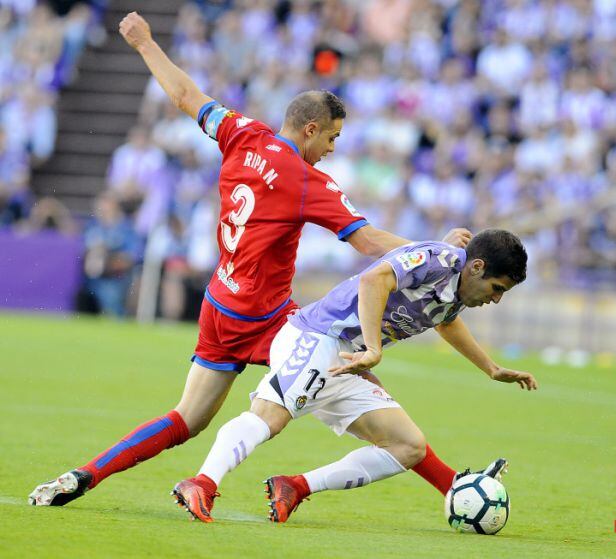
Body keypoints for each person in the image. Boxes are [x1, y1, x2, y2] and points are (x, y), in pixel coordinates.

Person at [29, 11, 471, 507]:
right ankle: (442, 485)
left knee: (186, 419)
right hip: (267, 317)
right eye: (332, 138)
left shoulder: (241, 133)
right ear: (310, 129)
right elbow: (368, 243)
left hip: (220, 303)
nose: (330, 150)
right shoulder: (309, 182)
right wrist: (439, 252)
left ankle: (85, 474)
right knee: (349, 376)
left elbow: (184, 96)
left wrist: (146, 44)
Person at [171, 229, 537, 523]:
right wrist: (374, 349)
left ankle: (296, 487)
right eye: (497, 288)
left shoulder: (456, 288)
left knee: (408, 446)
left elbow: (446, 322)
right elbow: (374, 279)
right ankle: (202, 482)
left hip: (347, 359)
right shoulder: (437, 259)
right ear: (476, 267)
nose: (496, 299)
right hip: (319, 337)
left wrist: (490, 368)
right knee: (271, 417)